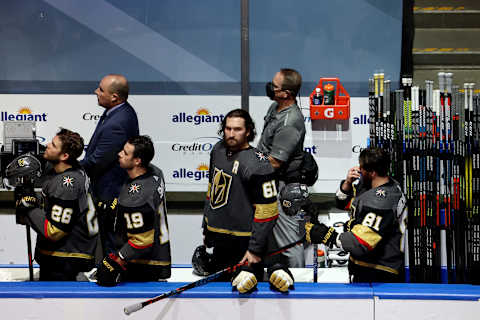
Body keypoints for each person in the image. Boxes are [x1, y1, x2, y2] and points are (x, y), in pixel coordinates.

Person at [202, 109, 294, 293]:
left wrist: (254, 249)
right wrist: (207, 226)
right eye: (227, 129)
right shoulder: (218, 150)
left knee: (245, 291)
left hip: (244, 242)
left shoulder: (259, 164)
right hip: (220, 240)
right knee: (219, 295)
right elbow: (213, 189)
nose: (231, 134)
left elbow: (268, 212)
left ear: (248, 132)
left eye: (237, 129)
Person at [304, 147, 407, 282]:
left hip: (379, 272)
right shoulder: (376, 185)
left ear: (372, 172)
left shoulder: (381, 201)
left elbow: (360, 243)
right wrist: (347, 183)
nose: (359, 170)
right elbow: (343, 204)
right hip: (364, 267)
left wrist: (327, 235)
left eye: (362, 168)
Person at [15, 128, 97, 280]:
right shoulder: (70, 171)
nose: (47, 145)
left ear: (64, 156)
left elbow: (55, 232)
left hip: (66, 259)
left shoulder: (67, 183)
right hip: (65, 255)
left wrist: (30, 206)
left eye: (53, 145)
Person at [96, 135, 171, 287]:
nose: (119, 154)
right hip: (158, 256)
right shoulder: (155, 172)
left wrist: (117, 259)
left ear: (137, 161)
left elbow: (141, 242)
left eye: (125, 152)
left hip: (142, 266)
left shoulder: (137, 197)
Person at [80, 74, 139, 256]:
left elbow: (97, 161)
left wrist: (67, 166)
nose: (96, 92)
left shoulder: (118, 122)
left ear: (114, 97)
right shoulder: (117, 112)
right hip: (106, 190)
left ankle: (111, 272)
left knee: (111, 239)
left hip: (110, 192)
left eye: (100, 89)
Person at [257, 68, 306, 267]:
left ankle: (301, 287)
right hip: (266, 183)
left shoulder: (290, 121)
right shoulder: (275, 108)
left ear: (286, 93)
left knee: (288, 242)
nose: (270, 87)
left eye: (274, 86)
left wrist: (247, 165)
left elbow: (275, 161)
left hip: (282, 187)